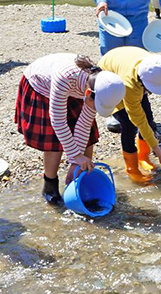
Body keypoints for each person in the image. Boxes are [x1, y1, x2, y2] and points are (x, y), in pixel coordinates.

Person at [15, 54, 125, 204]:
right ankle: (50, 185)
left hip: (75, 89)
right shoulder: (65, 78)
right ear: (88, 94)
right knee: (55, 141)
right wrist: (75, 156)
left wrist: (76, 162)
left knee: (89, 135)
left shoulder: (102, 83)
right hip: (42, 86)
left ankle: (80, 179)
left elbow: (84, 123)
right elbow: (58, 121)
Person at [98, 47, 161, 182]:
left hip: (131, 67)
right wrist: (157, 149)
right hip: (110, 75)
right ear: (143, 84)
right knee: (129, 126)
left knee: (150, 122)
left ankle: (143, 157)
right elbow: (138, 119)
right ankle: (132, 169)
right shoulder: (129, 84)